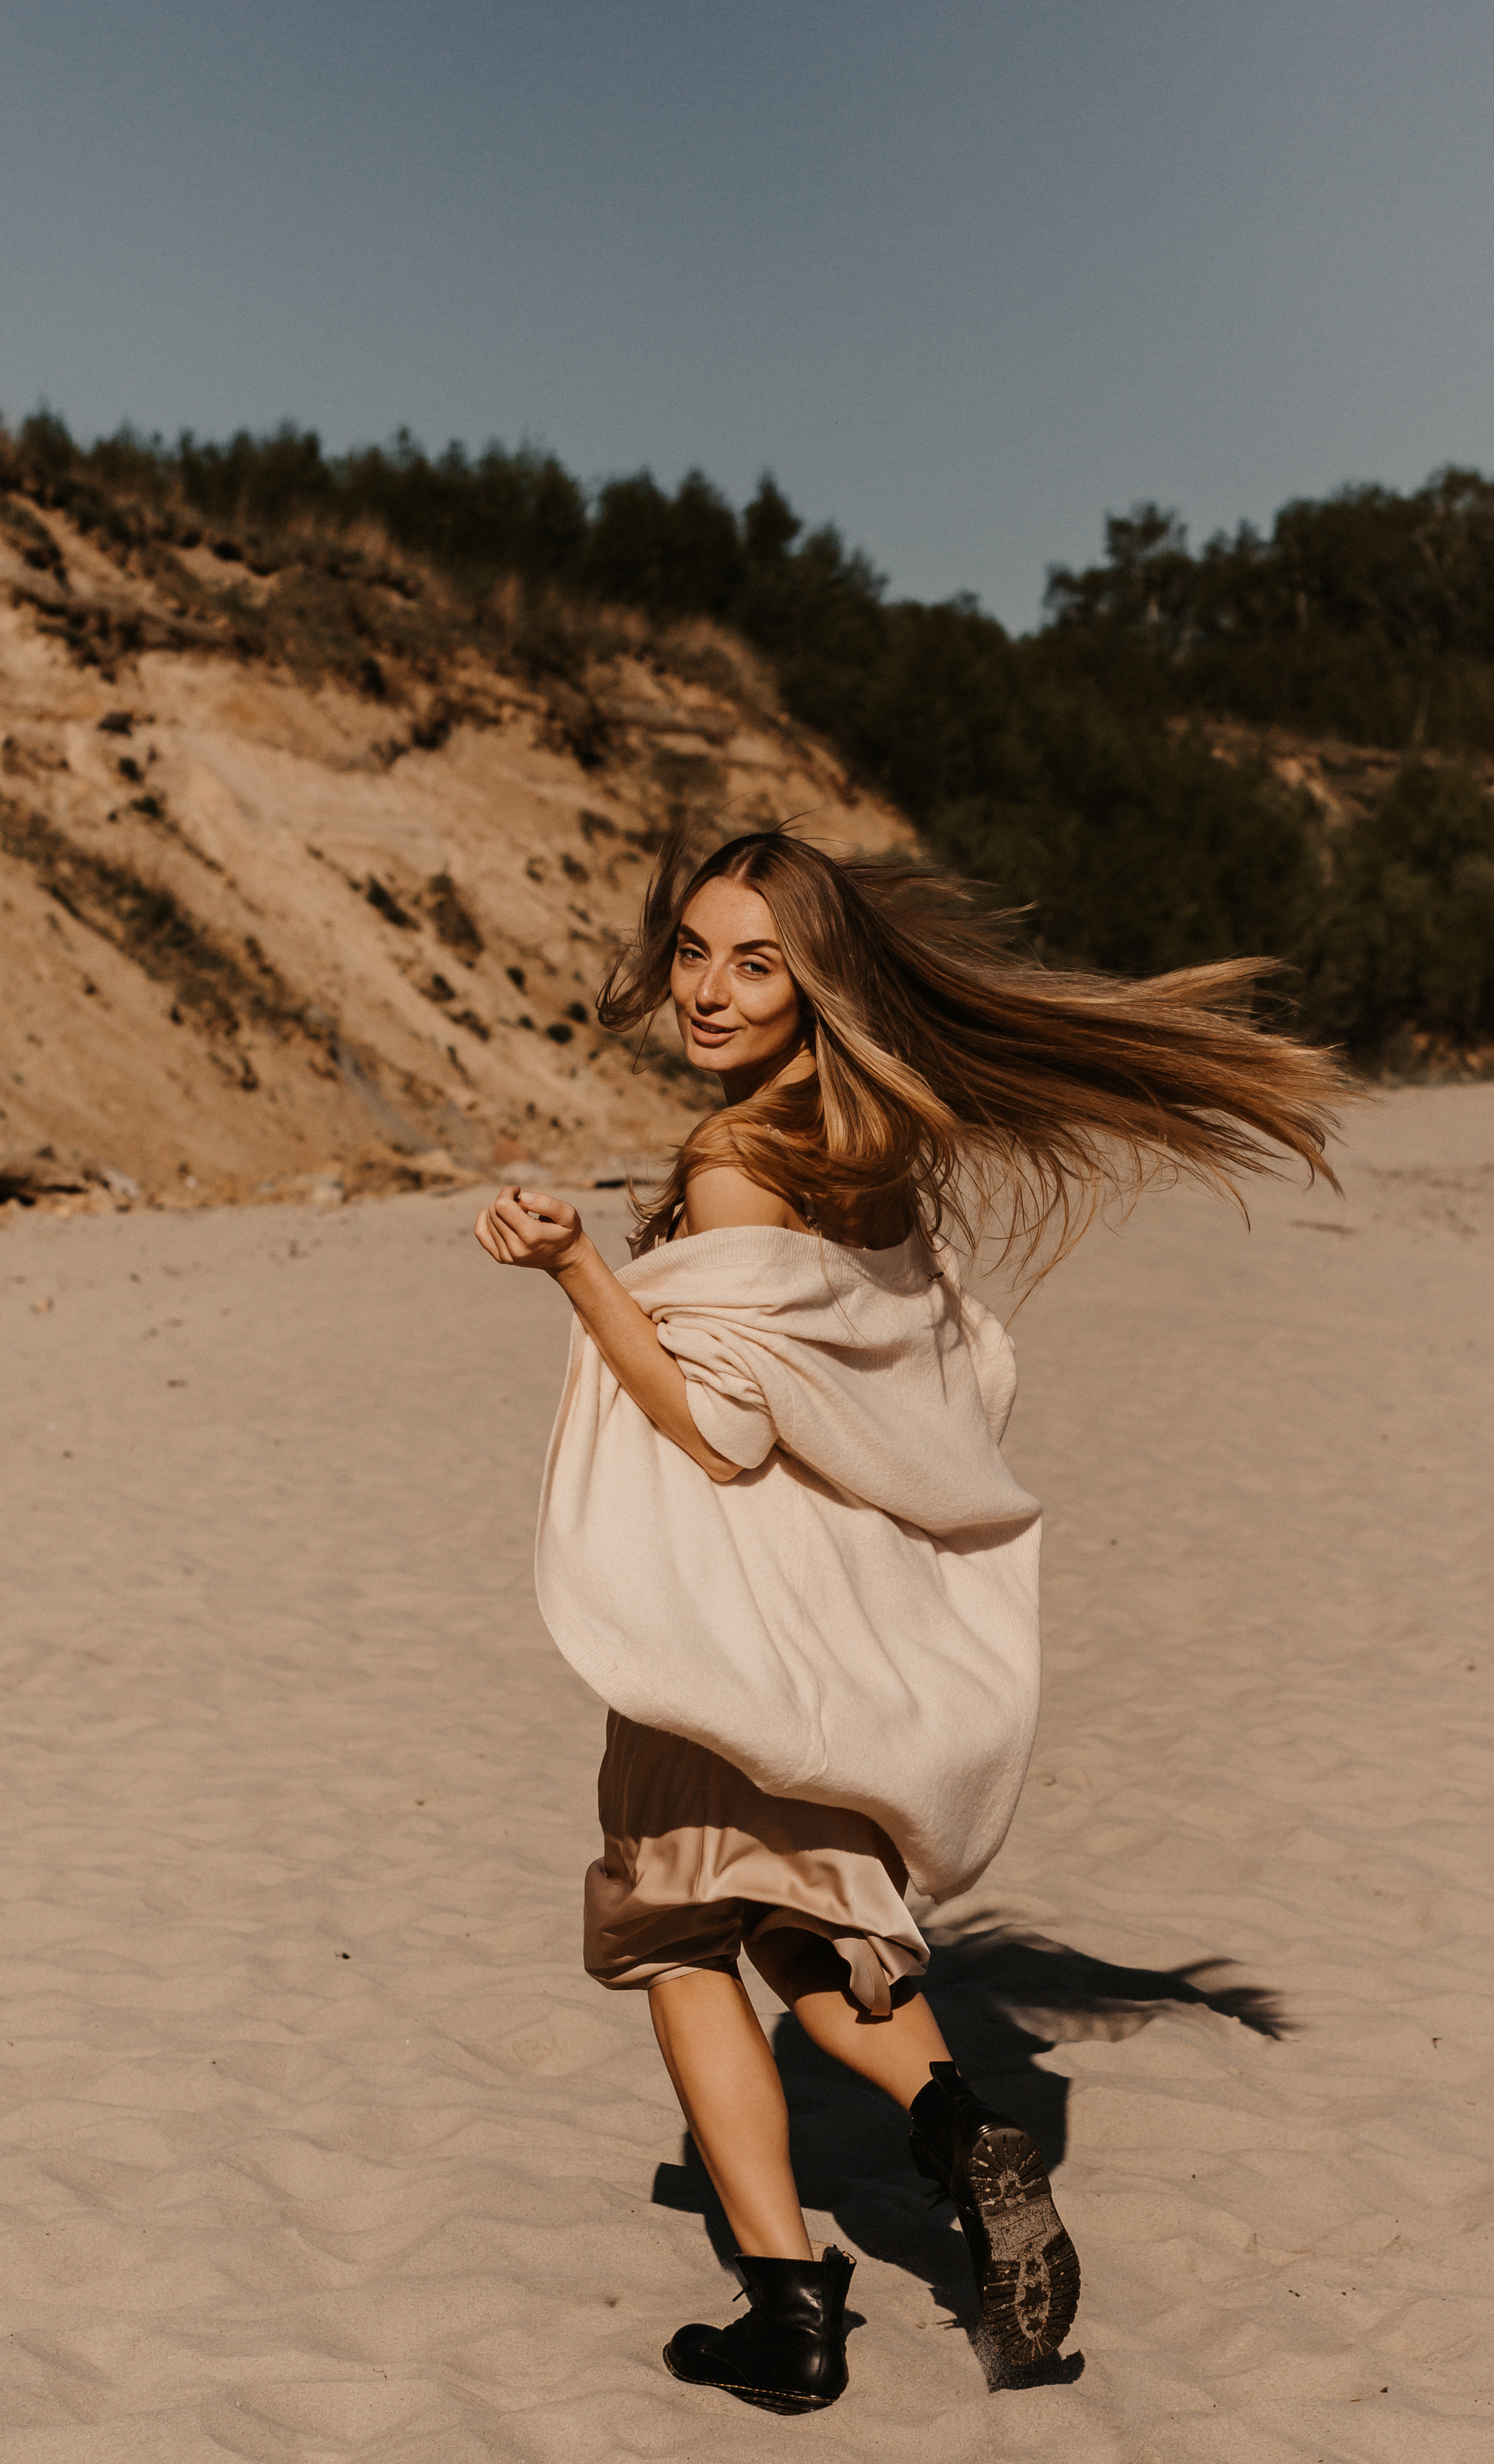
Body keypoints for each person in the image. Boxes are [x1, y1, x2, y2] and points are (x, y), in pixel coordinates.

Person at [474, 828, 1345, 2414]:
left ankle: (791, 2318)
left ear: (818, 983)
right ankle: (960, 2129)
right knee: (806, 1927)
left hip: (724, 1628)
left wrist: (578, 1267)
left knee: (677, 1940)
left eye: (755, 962)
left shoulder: (742, 1154)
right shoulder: (869, 1146)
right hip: (830, 1634)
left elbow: (718, 1428)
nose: (711, 991)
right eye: (691, 951)